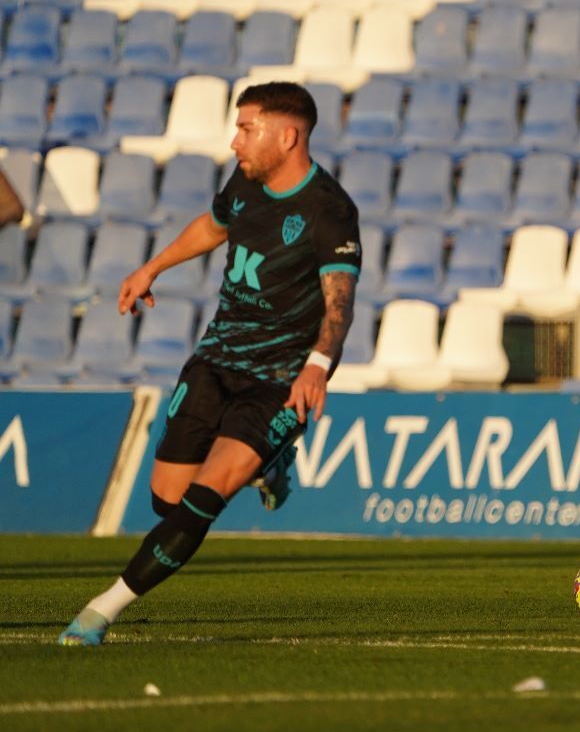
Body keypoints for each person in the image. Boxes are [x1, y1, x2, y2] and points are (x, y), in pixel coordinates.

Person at [60, 81, 362, 646]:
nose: (235, 141)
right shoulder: (246, 183)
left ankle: (99, 612)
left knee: (206, 497)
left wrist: (318, 364)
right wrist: (152, 268)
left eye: (247, 129)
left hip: (279, 378)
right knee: (166, 501)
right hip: (217, 358)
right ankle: (269, 469)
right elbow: (212, 226)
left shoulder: (331, 211)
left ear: (288, 135)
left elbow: (338, 304)